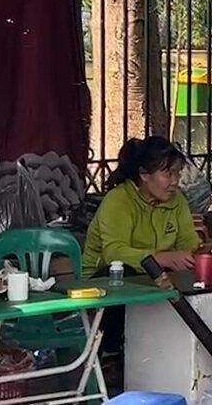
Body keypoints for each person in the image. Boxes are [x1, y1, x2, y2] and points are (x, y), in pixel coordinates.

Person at [81, 136, 201, 367]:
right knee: (122, 273)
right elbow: (114, 253)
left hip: (153, 278)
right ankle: (112, 352)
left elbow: (189, 242)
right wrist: (159, 258)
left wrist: (194, 255)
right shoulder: (119, 201)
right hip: (103, 283)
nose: (175, 181)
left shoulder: (177, 202)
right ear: (145, 175)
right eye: (168, 174)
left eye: (177, 173)